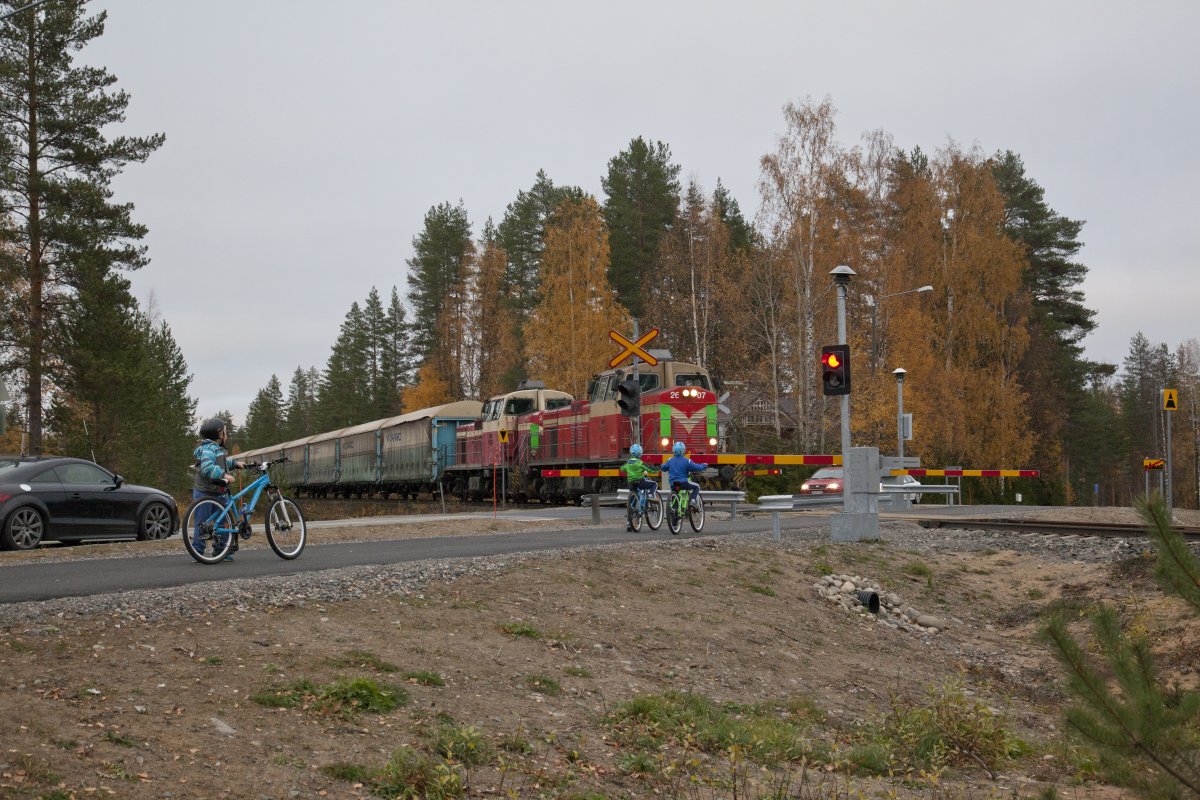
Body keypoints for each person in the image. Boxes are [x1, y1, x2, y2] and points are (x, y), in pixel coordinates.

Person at [191, 417, 242, 561]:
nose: (227, 434)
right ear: (220, 434)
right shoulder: (208, 449)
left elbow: (222, 462)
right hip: (204, 493)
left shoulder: (217, 450)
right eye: (225, 432)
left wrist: (235, 464)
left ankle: (222, 550)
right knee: (202, 523)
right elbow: (208, 468)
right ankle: (198, 551)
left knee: (224, 521)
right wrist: (225, 475)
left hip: (219, 492)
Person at [619, 443, 659, 531]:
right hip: (640, 481)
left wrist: (626, 470)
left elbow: (622, 469)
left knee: (632, 500)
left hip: (631, 483)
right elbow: (650, 470)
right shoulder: (640, 463)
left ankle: (629, 523)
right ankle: (650, 495)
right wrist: (657, 469)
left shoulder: (628, 463)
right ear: (640, 453)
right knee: (654, 484)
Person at [665, 441, 705, 509]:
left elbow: (664, 467)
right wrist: (703, 466)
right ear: (683, 450)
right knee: (697, 486)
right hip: (684, 482)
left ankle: (674, 509)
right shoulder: (687, 461)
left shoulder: (670, 460)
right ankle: (692, 500)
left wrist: (662, 466)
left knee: (675, 491)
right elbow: (696, 467)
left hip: (673, 483)